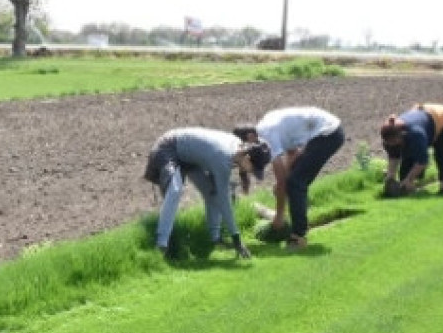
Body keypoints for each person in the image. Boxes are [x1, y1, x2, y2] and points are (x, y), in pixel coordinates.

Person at [143, 127, 272, 259]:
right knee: (175, 190)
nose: (252, 171)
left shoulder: (236, 149)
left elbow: (217, 192)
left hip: (189, 158)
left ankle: (215, 239)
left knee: (212, 192)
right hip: (168, 148)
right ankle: (161, 245)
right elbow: (224, 202)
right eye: (253, 168)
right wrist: (236, 239)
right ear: (247, 158)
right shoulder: (224, 158)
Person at [235, 106, 345, 250]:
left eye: (246, 146)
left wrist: (279, 216)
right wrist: (283, 183)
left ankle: (298, 237)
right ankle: (299, 219)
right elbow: (292, 153)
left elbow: (281, 181)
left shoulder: (267, 136)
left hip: (328, 133)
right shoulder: (268, 129)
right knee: (294, 182)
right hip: (328, 132)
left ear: (250, 137)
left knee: (295, 183)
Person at [379, 103, 443, 196]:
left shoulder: (416, 134)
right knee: (406, 168)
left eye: (393, 142)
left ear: (401, 135)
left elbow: (422, 161)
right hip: (425, 118)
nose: (391, 145)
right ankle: (410, 189)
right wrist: (390, 178)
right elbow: (394, 157)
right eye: (389, 142)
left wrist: (409, 179)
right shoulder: (390, 140)